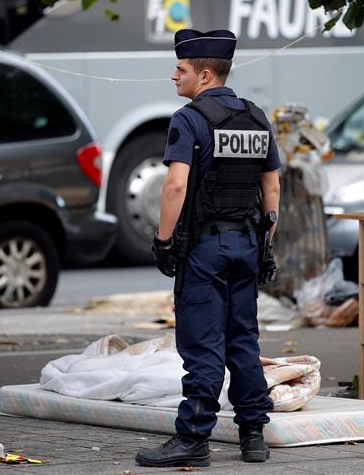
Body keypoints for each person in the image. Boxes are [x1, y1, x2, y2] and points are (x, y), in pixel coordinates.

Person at [135, 29, 281, 468]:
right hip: (247, 243)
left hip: (205, 249)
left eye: (179, 70)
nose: (173, 76)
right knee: (243, 340)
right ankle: (253, 437)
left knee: (203, 344)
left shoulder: (189, 119)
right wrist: (265, 246)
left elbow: (175, 185)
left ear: (203, 74)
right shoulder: (257, 118)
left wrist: (163, 241)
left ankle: (194, 438)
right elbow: (271, 187)